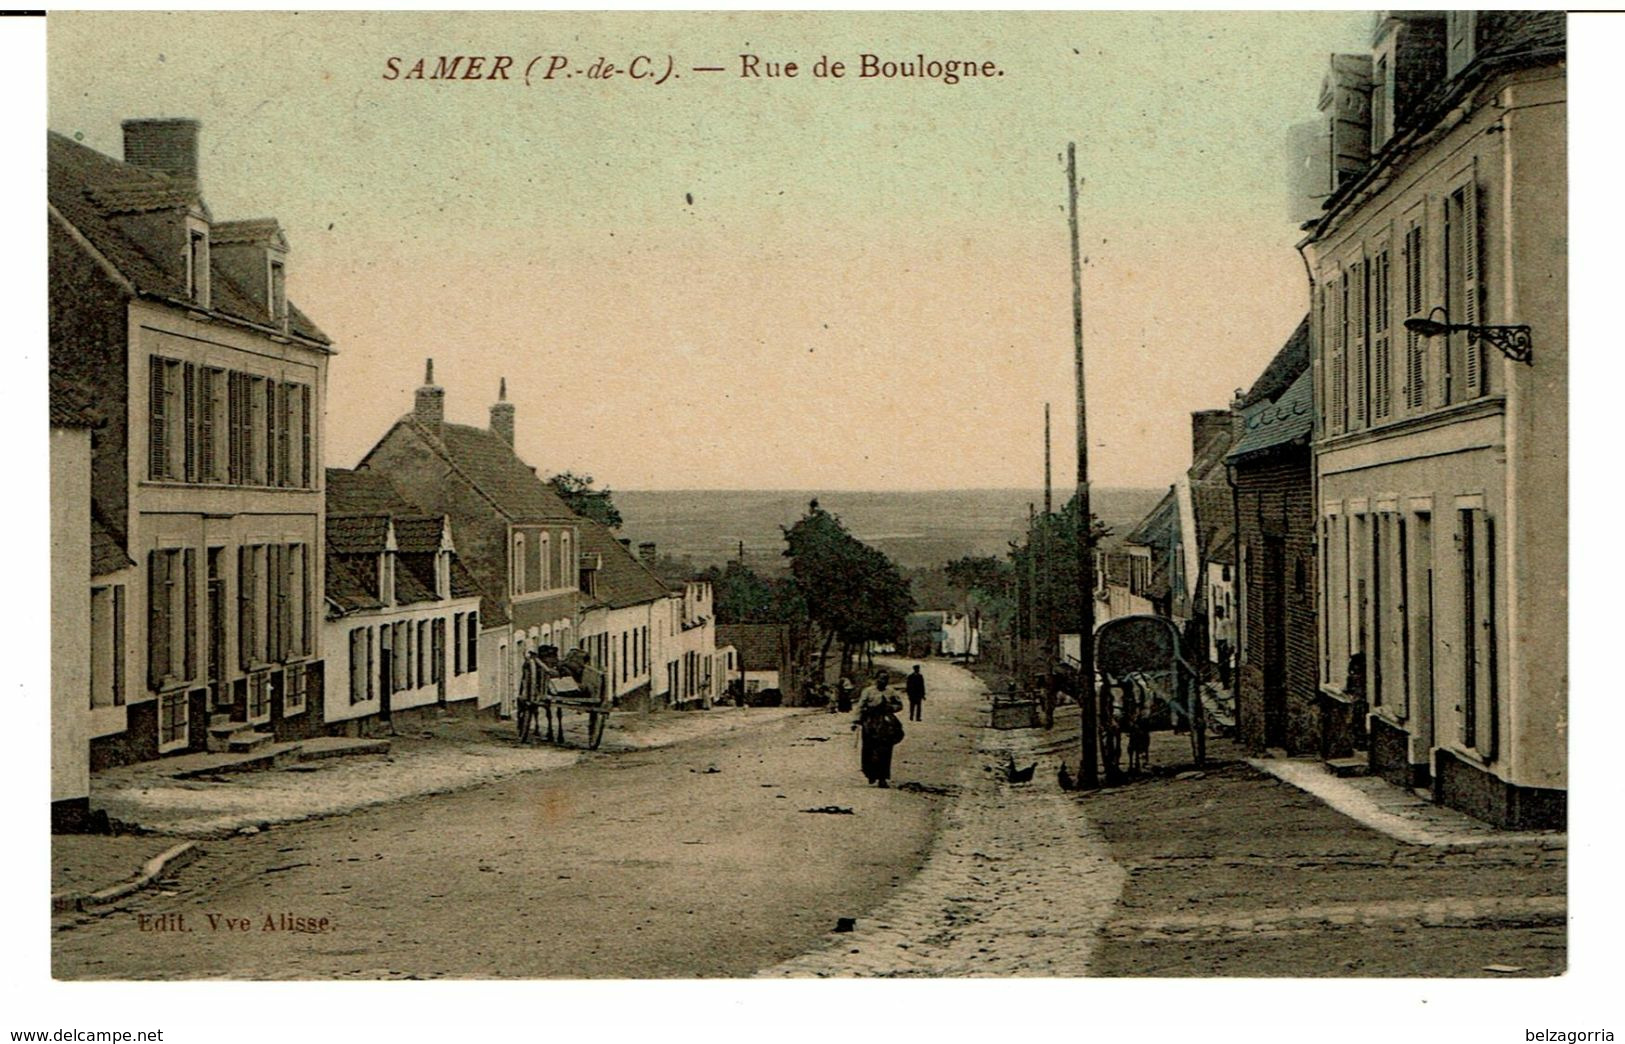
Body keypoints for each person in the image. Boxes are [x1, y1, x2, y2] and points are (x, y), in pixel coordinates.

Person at [851, 669, 904, 787]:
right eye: (881, 678)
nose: (883, 681)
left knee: (885, 750)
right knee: (869, 748)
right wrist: (855, 721)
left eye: (886, 679)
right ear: (876, 679)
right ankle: (870, 773)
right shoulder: (868, 691)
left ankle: (882, 777)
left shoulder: (891, 692)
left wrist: (891, 708)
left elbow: (900, 705)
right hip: (870, 722)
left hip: (885, 722)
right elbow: (860, 706)